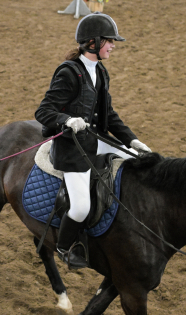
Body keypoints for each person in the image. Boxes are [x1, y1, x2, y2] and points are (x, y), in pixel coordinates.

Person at [35, 12, 152, 269]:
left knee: (140, 161)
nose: (113, 46)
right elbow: (43, 112)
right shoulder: (69, 73)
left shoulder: (100, 71)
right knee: (79, 209)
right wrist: (67, 120)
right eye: (109, 41)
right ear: (93, 43)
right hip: (71, 149)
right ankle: (65, 247)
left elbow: (109, 115)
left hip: (94, 139)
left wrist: (133, 142)